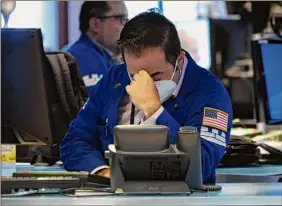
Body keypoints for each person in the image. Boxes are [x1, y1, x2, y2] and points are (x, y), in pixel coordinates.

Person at [60, 11, 233, 185]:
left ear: (179, 60)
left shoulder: (210, 92)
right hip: (114, 196)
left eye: (156, 75)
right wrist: (103, 173)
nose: (145, 84)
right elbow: (74, 141)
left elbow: (202, 165)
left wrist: (154, 110)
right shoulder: (115, 78)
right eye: (135, 75)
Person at [67, 1, 128, 94]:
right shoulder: (84, 59)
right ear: (95, 24)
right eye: (121, 18)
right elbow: (106, 105)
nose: (126, 26)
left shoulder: (104, 56)